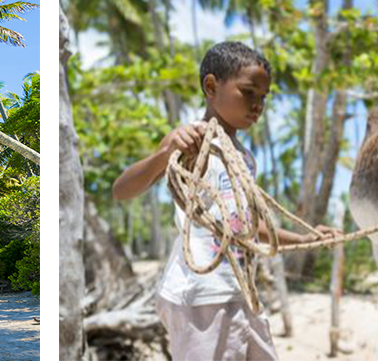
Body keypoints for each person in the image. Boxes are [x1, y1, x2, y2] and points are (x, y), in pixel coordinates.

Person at [111, 41, 340, 360]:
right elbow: (121, 190)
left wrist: (304, 238)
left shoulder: (244, 158)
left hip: (242, 292)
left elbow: (245, 226)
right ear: (211, 86)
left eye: (263, 97)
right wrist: (165, 154)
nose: (257, 104)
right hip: (201, 296)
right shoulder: (188, 140)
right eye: (248, 92)